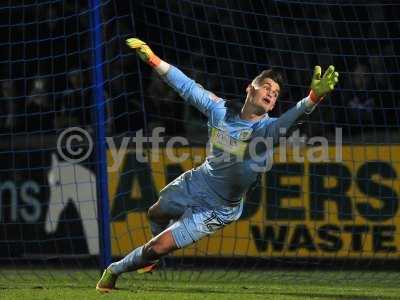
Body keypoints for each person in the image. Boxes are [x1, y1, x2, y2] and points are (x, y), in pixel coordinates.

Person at [96, 38, 339, 293]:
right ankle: (151, 257)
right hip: (198, 180)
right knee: (155, 213)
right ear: (250, 88)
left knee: (156, 246)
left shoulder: (266, 130)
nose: (271, 94)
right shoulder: (220, 110)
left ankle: (115, 269)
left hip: (217, 208)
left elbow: (290, 120)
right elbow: (188, 87)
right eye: (267, 87)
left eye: (276, 93)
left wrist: (312, 98)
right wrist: (155, 60)